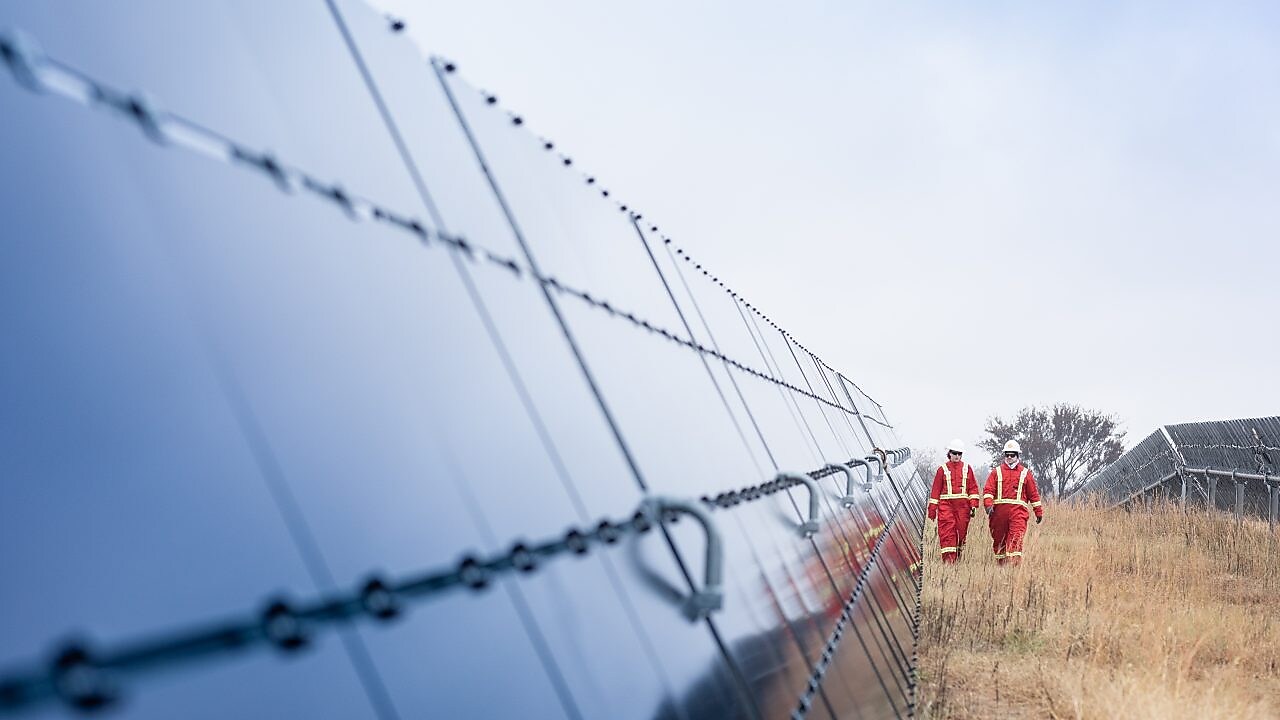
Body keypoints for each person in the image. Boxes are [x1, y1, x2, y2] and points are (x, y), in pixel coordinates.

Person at [982, 440, 1044, 566]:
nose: (1009, 457)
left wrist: (1038, 512)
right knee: (999, 541)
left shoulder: (1025, 473)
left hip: (1018, 513)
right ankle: (1001, 567)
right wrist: (988, 505)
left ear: (1017, 456)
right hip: (998, 514)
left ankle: (1013, 569)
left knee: (1016, 539)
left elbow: (1033, 494)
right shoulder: (996, 472)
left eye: (1012, 455)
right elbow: (988, 490)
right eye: (1007, 455)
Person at [926, 439, 979, 564]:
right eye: (954, 453)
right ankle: (949, 562)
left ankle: (957, 557)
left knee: (961, 533)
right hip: (946, 506)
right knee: (947, 533)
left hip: (963, 508)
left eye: (959, 453)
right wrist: (932, 509)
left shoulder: (967, 468)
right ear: (949, 453)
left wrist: (973, 505)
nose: (957, 456)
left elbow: (973, 488)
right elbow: (935, 491)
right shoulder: (942, 470)